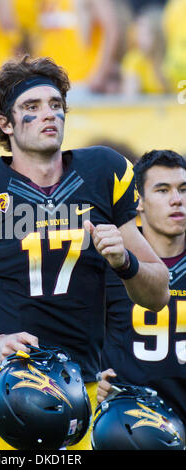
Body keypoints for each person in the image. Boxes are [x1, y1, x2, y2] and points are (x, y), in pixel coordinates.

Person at [0, 55, 170, 451]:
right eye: (31, 108)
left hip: (83, 386)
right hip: (9, 386)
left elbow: (157, 295)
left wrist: (126, 262)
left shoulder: (103, 172)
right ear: (6, 123)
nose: (49, 115)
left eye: (55, 105)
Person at [98, 149, 186, 430]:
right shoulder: (111, 263)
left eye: (184, 189)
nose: (177, 199)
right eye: (162, 190)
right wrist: (90, 377)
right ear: (138, 202)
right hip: (129, 424)